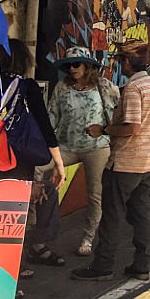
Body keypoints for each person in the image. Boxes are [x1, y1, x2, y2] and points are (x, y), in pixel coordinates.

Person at [0, 39, 66, 273]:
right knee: (10, 219)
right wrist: (58, 164)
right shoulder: (28, 87)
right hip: (16, 162)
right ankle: (11, 272)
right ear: (25, 61)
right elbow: (45, 127)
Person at [71, 41, 150, 282]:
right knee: (142, 215)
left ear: (127, 62)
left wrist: (103, 129)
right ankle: (142, 264)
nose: (118, 64)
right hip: (146, 163)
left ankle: (103, 265)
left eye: (119, 60)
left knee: (112, 216)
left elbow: (132, 127)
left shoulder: (133, 89)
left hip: (124, 163)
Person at [48, 46, 120, 257]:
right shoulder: (61, 87)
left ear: (87, 66)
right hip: (66, 146)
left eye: (76, 64)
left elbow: (120, 107)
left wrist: (111, 130)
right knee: (39, 172)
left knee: (95, 194)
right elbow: (52, 115)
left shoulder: (104, 86)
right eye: (68, 65)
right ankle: (36, 230)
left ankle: (88, 238)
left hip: (96, 147)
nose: (71, 69)